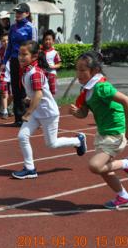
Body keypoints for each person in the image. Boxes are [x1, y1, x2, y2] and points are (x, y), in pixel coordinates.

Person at [70, 51, 128, 209]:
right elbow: (84, 113)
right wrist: (77, 112)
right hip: (103, 133)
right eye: (77, 69)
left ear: (94, 71)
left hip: (115, 132)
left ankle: (127, 163)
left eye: (82, 70)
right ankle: (124, 196)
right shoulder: (87, 90)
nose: (78, 73)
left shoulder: (101, 87)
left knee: (95, 166)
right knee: (104, 170)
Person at [12, 41, 86, 179]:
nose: (20, 57)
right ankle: (30, 169)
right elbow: (36, 93)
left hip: (48, 113)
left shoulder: (35, 72)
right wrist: (29, 99)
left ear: (34, 56)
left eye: (24, 54)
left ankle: (78, 141)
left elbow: (39, 94)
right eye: (19, 54)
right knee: (22, 136)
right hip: (36, 112)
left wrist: (28, 112)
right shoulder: (27, 70)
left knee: (51, 144)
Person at [4, 3, 38, 126]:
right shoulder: (13, 28)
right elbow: (9, 46)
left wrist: (33, 62)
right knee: (16, 90)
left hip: (26, 62)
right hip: (14, 61)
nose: (17, 15)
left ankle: (30, 116)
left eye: (20, 12)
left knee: (27, 89)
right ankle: (18, 118)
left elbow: (34, 46)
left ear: (27, 14)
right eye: (16, 12)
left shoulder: (31, 27)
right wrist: (4, 61)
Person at [0, 32, 12, 119]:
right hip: (3, 75)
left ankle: (6, 107)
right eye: (3, 41)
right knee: (4, 93)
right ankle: (5, 111)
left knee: (12, 94)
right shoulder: (0, 52)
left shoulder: (14, 51)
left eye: (7, 40)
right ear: (1, 42)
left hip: (13, 75)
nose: (6, 42)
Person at [41, 29, 62, 95]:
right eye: (46, 39)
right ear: (43, 41)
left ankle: (51, 104)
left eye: (49, 39)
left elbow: (59, 64)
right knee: (42, 91)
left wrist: (52, 67)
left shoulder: (55, 53)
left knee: (51, 92)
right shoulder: (40, 51)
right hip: (42, 74)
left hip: (51, 74)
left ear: (53, 41)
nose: (47, 41)